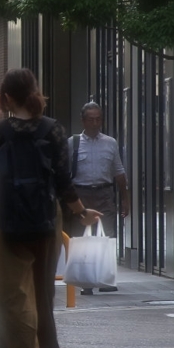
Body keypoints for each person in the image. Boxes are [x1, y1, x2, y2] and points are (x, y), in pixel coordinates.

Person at [0, 68, 101, 348]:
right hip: (47, 218)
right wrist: (82, 211)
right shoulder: (53, 130)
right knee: (40, 292)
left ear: (5, 98)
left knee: (12, 294)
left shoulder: (0, 130)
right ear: (35, 92)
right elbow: (63, 181)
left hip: (8, 217)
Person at [66, 101, 130, 295]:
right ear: (83, 121)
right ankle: (86, 282)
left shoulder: (110, 142)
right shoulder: (73, 143)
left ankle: (106, 279)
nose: (95, 123)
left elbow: (119, 172)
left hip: (104, 193)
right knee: (82, 239)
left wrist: (125, 198)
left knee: (107, 236)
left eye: (98, 119)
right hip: (81, 194)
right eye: (91, 119)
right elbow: (64, 173)